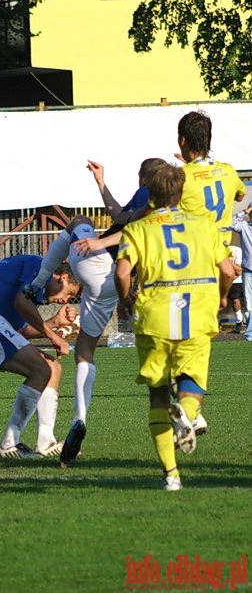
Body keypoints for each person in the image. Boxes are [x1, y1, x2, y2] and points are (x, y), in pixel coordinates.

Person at [115, 163, 235, 491]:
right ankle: (187, 410)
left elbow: (124, 273)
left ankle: (171, 475)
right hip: (197, 313)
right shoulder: (204, 225)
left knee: (156, 395)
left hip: (154, 317)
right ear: (181, 193)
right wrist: (222, 297)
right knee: (192, 382)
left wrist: (126, 301)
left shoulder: (138, 229)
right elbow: (227, 269)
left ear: (150, 195)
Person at [0, 255, 81, 458]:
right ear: (61, 277)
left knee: (53, 368)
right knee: (40, 369)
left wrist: (54, 322)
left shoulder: (31, 290)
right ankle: (9, 442)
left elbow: (20, 331)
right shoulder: (38, 266)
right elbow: (21, 303)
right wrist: (53, 336)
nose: (66, 300)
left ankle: (46, 441)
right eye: (69, 293)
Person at [24, 216, 118, 466]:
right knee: (86, 351)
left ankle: (79, 419)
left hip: (97, 261)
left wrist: (102, 241)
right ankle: (189, 411)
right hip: (119, 281)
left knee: (79, 220)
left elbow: (134, 226)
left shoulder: (146, 204)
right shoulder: (171, 215)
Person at [176, 110, 245, 244]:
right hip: (223, 253)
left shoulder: (180, 176)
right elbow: (240, 196)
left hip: (195, 254)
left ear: (182, 140)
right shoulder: (228, 171)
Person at [232, 203, 252, 341]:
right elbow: (230, 222)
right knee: (250, 303)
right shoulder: (244, 226)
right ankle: (250, 333)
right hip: (248, 270)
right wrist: (245, 211)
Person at [226, 243, 244, 332]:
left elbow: (239, 271)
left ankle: (239, 321)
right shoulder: (215, 250)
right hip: (220, 280)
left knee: (235, 300)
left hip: (235, 280)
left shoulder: (237, 250)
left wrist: (227, 260)